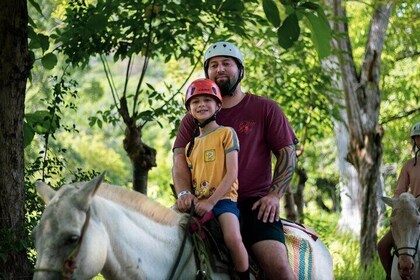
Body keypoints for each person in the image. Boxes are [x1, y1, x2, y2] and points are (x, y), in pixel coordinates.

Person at [172, 41, 298, 280]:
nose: (220, 69)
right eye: (214, 65)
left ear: (240, 70)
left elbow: (287, 153)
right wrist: (183, 194)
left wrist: (274, 195)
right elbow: (179, 157)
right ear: (206, 72)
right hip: (201, 203)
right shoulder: (194, 116)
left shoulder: (265, 108)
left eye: (226, 64)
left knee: (278, 267)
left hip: (254, 205)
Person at [181, 78, 249, 279]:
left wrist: (211, 202)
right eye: (195, 101)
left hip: (224, 201)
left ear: (218, 105)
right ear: (189, 109)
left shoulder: (226, 133)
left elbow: (232, 173)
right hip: (199, 202)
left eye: (207, 100)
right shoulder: (189, 147)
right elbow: (194, 181)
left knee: (233, 238)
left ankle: (243, 276)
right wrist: (190, 199)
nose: (201, 104)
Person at [377, 121, 420, 279]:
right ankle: (390, 276)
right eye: (417, 138)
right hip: (411, 214)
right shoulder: (409, 165)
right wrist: (398, 203)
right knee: (382, 246)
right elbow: (400, 190)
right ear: (414, 141)